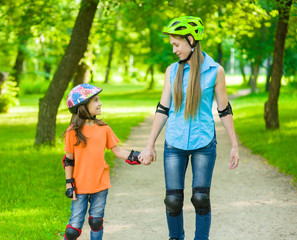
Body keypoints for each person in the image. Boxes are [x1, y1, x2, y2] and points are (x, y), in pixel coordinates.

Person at [138, 16, 240, 240]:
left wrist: (234, 145)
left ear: (191, 40)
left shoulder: (216, 71)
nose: (174, 50)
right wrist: (149, 145)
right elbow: (163, 107)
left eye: (176, 44)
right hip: (174, 142)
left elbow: (224, 109)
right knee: (173, 201)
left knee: (201, 198)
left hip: (204, 142)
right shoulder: (172, 71)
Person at [62, 83, 141, 240]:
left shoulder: (104, 128)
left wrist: (137, 156)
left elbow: (118, 151)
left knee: (96, 221)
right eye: (95, 100)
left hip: (100, 183)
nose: (100, 103)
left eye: (99, 100)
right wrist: (69, 184)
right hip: (80, 185)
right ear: (83, 106)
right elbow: (68, 160)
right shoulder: (72, 132)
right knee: (73, 230)